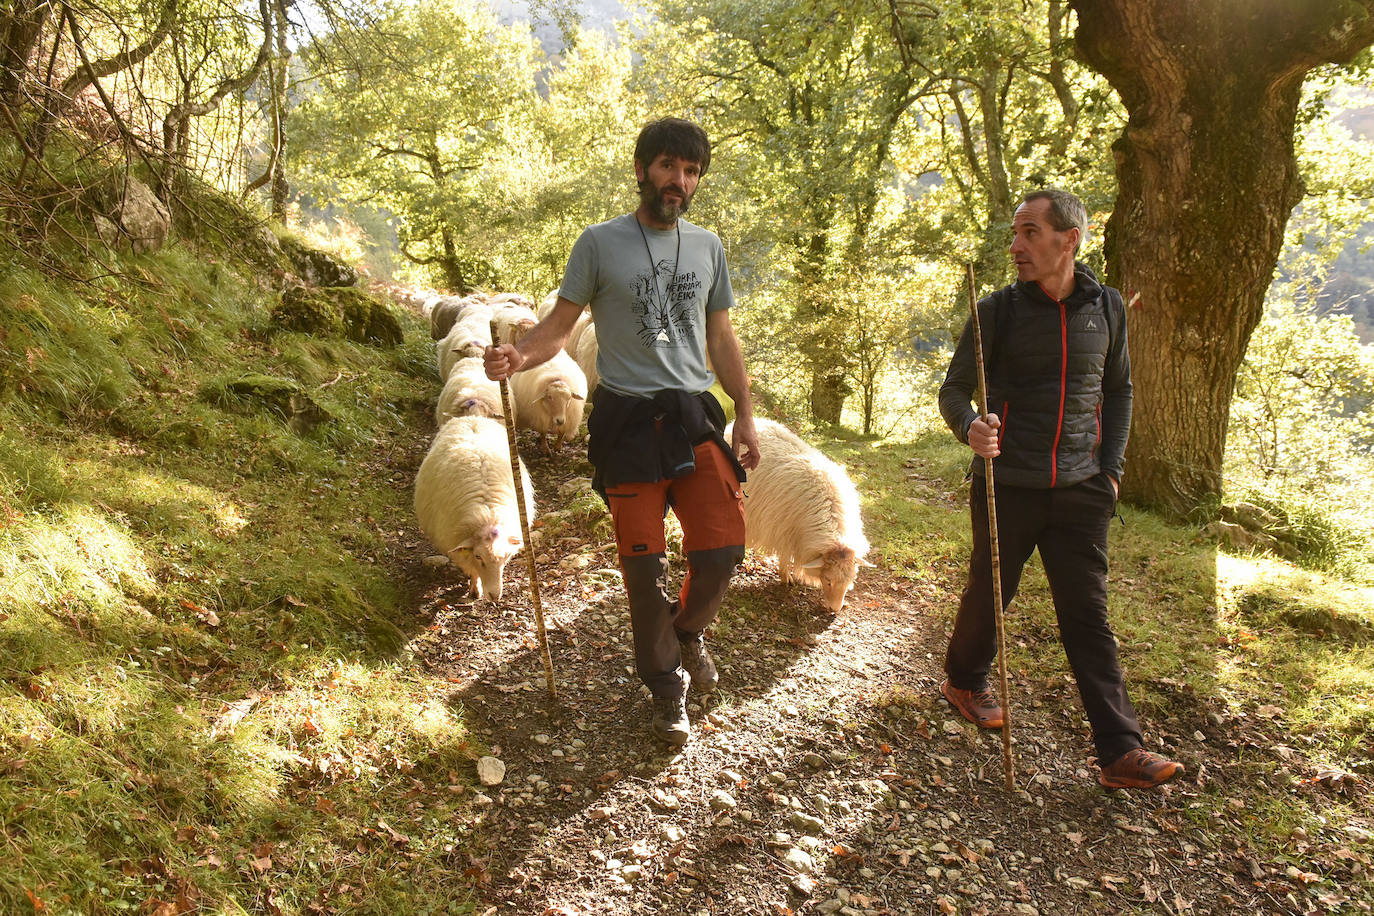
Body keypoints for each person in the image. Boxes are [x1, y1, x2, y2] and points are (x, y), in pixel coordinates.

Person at [485, 117, 759, 747]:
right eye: (667, 167)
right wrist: (518, 357)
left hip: (694, 417)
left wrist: (743, 410)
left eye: (690, 172)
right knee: (643, 570)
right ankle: (666, 689)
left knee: (721, 554)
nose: (679, 181)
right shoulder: (599, 243)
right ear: (642, 170)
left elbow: (720, 336)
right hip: (629, 423)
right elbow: (559, 324)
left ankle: (685, 633)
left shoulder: (708, 246)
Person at [937, 188, 1184, 790]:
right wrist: (970, 426)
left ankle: (1120, 751)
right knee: (993, 587)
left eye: (1030, 233)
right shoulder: (996, 311)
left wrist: (1112, 469)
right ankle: (964, 680)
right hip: (1008, 483)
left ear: (1068, 239)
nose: (1016, 246)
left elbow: (1119, 390)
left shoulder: (1110, 309)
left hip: (1083, 488)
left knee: (1088, 614)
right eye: (1015, 234)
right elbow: (954, 389)